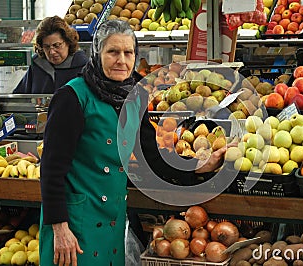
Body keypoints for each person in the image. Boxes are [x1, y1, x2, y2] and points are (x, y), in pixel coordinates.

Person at [39, 19, 230, 266]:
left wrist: (196, 166)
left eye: (128, 52)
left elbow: (151, 156)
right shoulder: (73, 97)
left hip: (112, 220)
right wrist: (59, 228)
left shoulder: (136, 95)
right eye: (113, 52)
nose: (122, 60)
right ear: (97, 54)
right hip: (75, 223)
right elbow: (51, 169)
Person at [13, 15, 88, 94]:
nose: (52, 52)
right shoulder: (37, 65)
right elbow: (20, 95)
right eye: (46, 47)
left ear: (68, 42)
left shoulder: (83, 67)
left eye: (57, 45)